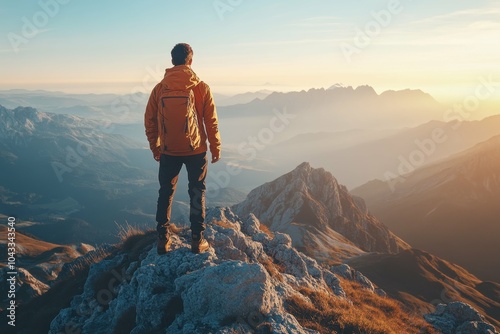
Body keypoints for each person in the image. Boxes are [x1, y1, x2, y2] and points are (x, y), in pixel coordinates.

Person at [144, 43, 221, 254]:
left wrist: (156, 147)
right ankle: (197, 240)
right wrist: (215, 147)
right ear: (191, 61)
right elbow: (210, 121)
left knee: (165, 193)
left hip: (169, 151)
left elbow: (150, 120)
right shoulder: (201, 87)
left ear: (171, 62)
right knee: (197, 192)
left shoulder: (160, 88)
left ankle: (162, 239)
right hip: (196, 151)